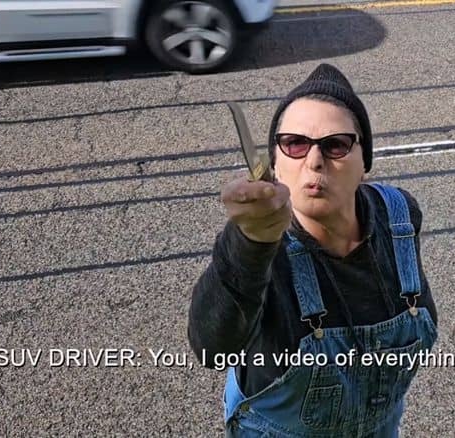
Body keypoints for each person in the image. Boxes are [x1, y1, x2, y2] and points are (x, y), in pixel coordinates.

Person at [187, 63, 438, 437]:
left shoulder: (398, 216)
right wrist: (249, 244)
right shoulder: (263, 248)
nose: (315, 159)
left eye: (336, 144)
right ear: (274, 164)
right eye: (295, 143)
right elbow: (211, 348)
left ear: (364, 164)